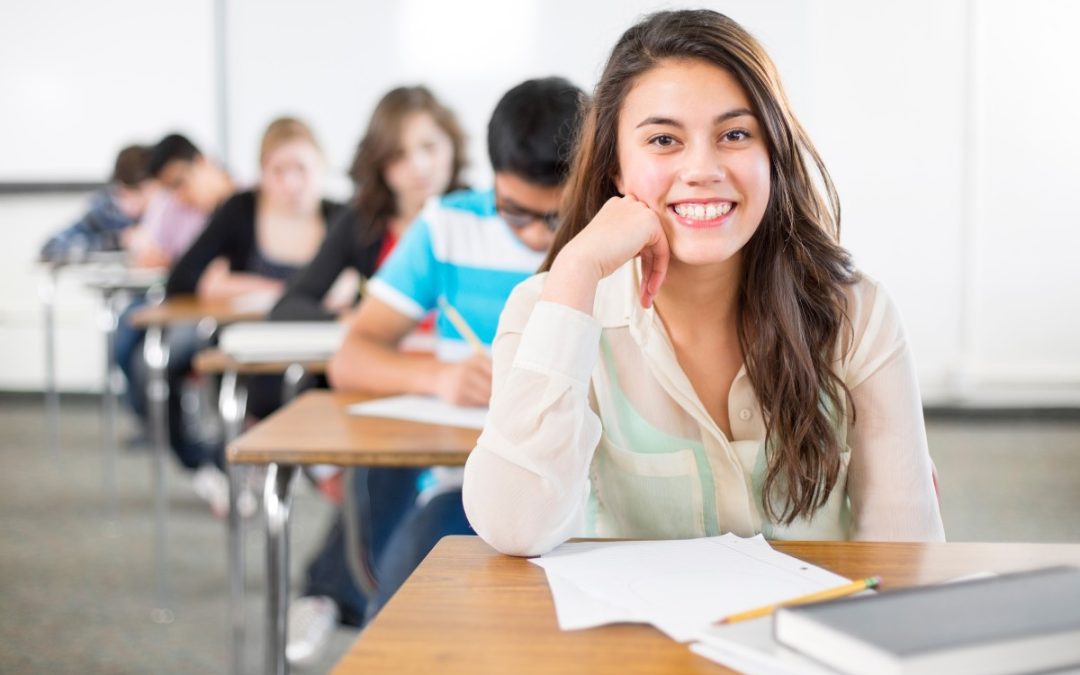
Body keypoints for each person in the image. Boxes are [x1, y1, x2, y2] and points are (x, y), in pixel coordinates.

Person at [462, 9, 946, 558]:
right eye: (664, 140)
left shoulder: (857, 311)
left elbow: (906, 553)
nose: (703, 169)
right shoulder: (546, 308)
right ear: (616, 168)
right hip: (631, 641)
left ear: (773, 155)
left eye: (735, 134)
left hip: (813, 637)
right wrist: (575, 270)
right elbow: (512, 527)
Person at [326, 76, 583, 627]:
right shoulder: (446, 228)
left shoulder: (611, 231)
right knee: (396, 619)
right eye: (515, 212)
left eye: (558, 218)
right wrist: (437, 378)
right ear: (492, 178)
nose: (539, 238)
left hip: (588, 485)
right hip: (467, 485)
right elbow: (350, 359)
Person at [272, 87, 467, 667]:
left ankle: (332, 594)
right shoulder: (364, 225)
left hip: (464, 388)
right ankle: (348, 596)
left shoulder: (481, 214)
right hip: (391, 387)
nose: (421, 167)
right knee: (376, 480)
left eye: (430, 147)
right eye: (401, 156)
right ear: (382, 166)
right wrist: (361, 321)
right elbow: (291, 304)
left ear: (452, 145)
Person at [155, 118, 341, 513]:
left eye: (302, 170)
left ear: (322, 169)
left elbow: (369, 290)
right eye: (278, 171)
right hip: (251, 357)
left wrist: (237, 282)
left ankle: (317, 468)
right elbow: (184, 279)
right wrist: (277, 291)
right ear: (261, 174)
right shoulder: (240, 211)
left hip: (324, 360)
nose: (291, 183)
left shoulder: (343, 217)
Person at [39, 144, 157, 262]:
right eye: (129, 193)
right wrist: (117, 241)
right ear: (118, 188)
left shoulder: (162, 211)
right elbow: (52, 247)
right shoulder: (103, 212)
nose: (138, 202)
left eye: (147, 192)